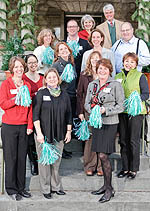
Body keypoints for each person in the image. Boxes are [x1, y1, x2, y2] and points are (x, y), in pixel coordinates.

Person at [85, 58, 124, 203]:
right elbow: (86, 103)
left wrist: (104, 110)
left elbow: (121, 106)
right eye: (100, 69)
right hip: (97, 123)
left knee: (103, 155)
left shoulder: (115, 85)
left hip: (110, 123)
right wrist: (94, 110)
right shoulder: (92, 85)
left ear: (109, 71)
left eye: (105, 69)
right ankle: (106, 186)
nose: (102, 71)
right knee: (100, 154)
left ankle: (109, 189)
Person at [33, 68, 72, 199]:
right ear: (45, 80)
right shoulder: (41, 93)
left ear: (58, 79)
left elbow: (69, 115)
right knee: (44, 163)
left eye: (54, 77)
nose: (52, 79)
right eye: (49, 77)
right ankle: (45, 188)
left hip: (59, 134)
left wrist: (68, 131)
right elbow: (35, 115)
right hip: (43, 134)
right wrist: (39, 133)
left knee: (56, 162)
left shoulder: (64, 95)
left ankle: (56, 187)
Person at [0, 56, 33, 201]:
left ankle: (21, 188)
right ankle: (11, 189)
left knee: (21, 158)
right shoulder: (6, 84)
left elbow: (31, 106)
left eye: (21, 67)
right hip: (9, 126)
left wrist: (30, 126)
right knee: (11, 158)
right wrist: (16, 98)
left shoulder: (27, 84)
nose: (19, 69)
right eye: (16, 67)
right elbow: (3, 104)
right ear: (12, 69)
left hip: (24, 126)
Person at [115, 52, 149, 179]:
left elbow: (146, 94)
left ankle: (133, 169)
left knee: (133, 141)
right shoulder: (118, 76)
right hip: (122, 111)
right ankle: (125, 168)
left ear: (135, 65)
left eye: (132, 62)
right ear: (123, 62)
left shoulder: (140, 76)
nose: (129, 64)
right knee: (123, 140)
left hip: (136, 112)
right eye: (126, 61)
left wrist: (135, 99)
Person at [77, 51, 103, 176]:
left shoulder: (104, 74)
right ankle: (89, 165)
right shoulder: (84, 75)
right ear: (89, 60)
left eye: (97, 58)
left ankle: (100, 166)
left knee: (102, 138)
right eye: (93, 58)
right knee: (90, 138)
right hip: (88, 111)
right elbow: (80, 94)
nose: (95, 60)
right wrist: (80, 111)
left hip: (102, 112)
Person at [52, 41, 76, 159]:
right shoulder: (56, 65)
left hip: (72, 95)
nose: (64, 51)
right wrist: (61, 77)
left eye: (65, 49)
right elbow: (53, 82)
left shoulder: (71, 63)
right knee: (61, 121)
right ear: (58, 53)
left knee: (68, 120)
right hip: (61, 97)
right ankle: (62, 148)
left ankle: (65, 146)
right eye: (61, 50)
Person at [23, 54, 43, 176]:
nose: (33, 64)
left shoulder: (42, 77)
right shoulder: (24, 78)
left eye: (34, 62)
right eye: (30, 62)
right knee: (30, 139)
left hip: (42, 111)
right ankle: (32, 162)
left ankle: (42, 161)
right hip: (29, 111)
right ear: (26, 64)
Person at [64, 19, 91, 84]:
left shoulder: (85, 43)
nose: (72, 29)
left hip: (81, 77)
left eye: (74, 26)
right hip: (65, 78)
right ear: (67, 29)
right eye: (70, 27)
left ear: (78, 28)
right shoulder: (62, 43)